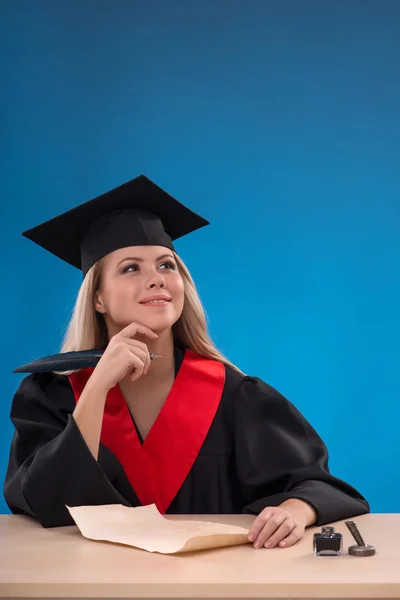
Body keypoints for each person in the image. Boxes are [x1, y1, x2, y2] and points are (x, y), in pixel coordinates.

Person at [4, 174, 369, 550]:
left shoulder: (232, 395)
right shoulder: (51, 396)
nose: (156, 279)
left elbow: (320, 485)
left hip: (211, 584)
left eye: (167, 265)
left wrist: (296, 509)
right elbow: (43, 504)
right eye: (131, 268)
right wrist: (96, 388)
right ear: (98, 298)